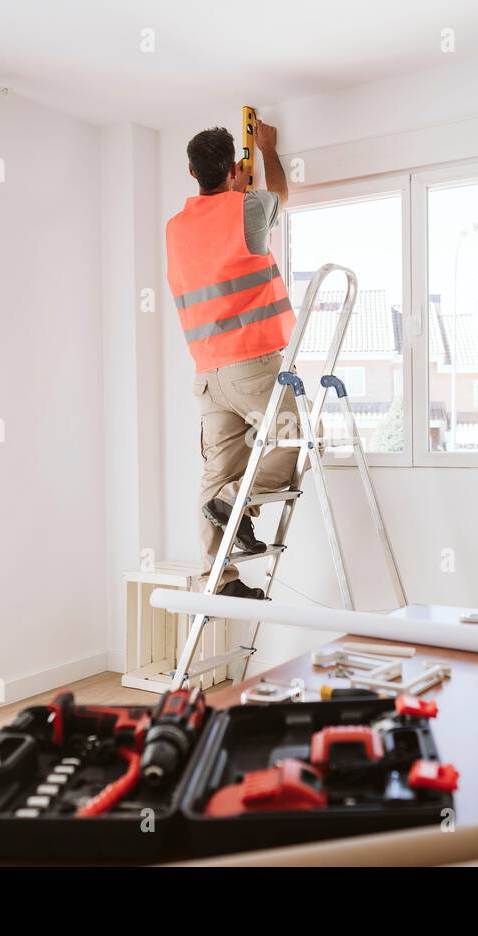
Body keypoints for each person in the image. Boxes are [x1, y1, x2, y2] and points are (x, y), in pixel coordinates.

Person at [165, 118, 297, 600]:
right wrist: (267, 150)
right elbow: (280, 192)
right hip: (253, 365)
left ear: (190, 171)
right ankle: (231, 503)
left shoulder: (175, 229)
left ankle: (218, 579)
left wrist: (232, 192)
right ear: (233, 168)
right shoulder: (248, 209)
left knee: (217, 469)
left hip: (206, 373)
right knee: (291, 439)